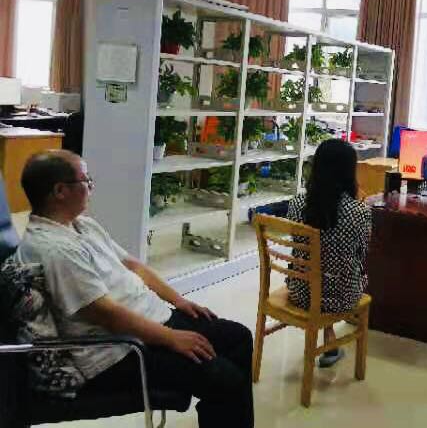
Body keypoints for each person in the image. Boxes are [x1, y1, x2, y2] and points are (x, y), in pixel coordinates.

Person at [13, 150, 253, 428]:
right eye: (86, 181)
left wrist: (179, 301)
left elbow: (133, 266)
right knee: (227, 382)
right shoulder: (54, 250)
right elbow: (106, 314)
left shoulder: (83, 225)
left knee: (238, 338)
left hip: (151, 320)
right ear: (60, 191)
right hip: (118, 350)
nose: (91, 187)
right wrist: (171, 337)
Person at [286, 139, 372, 368]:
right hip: (342, 298)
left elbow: (298, 246)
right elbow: (362, 254)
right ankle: (330, 343)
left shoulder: (297, 204)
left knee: (320, 272)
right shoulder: (359, 211)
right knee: (337, 274)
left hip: (300, 291)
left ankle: (330, 342)